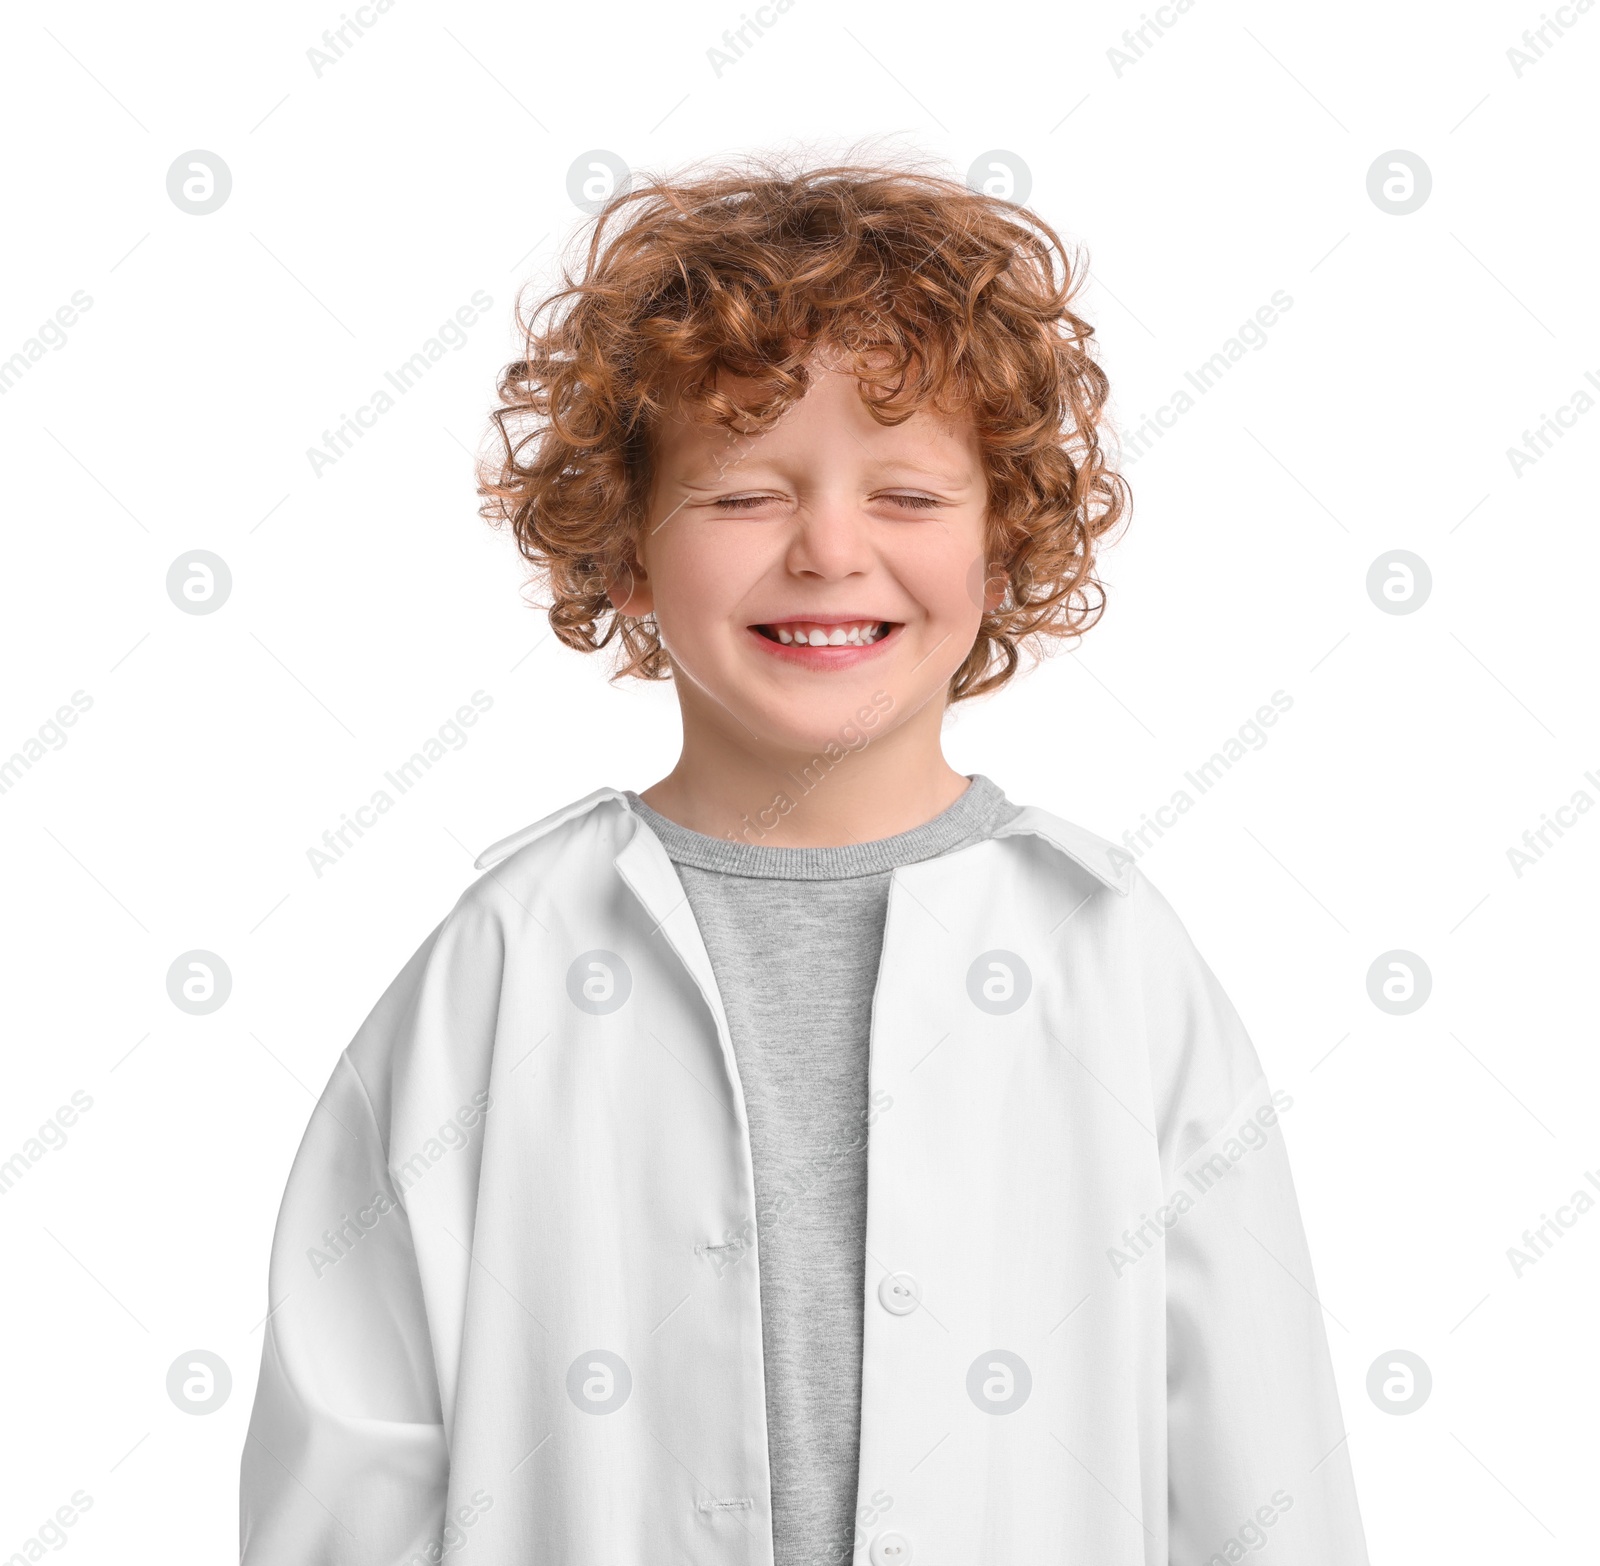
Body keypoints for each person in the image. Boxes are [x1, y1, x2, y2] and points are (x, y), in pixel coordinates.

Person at [240, 153, 1369, 1566]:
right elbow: (349, 1460)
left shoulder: (1112, 957)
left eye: (907, 496)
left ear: (1004, 546)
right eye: (740, 497)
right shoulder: (504, 962)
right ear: (627, 552)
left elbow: (1260, 1458)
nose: (832, 550)